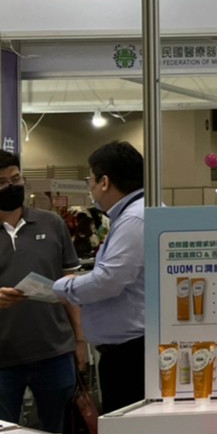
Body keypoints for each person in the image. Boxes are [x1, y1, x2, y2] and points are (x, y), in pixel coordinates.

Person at [0, 149, 87, 434]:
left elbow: (71, 286)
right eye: (0, 182)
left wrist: (80, 341)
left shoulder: (51, 224)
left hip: (54, 351)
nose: (10, 186)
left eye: (15, 178)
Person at [54, 141, 145, 415]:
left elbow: (109, 280)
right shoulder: (135, 213)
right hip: (131, 349)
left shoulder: (134, 219)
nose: (91, 188)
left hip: (131, 353)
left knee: (128, 430)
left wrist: (63, 286)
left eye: (90, 180)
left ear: (104, 182)